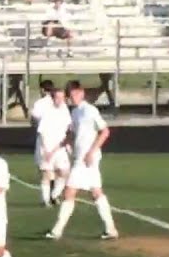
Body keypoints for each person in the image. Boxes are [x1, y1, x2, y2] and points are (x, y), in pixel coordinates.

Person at [46, 81, 119, 241]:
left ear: (82, 93)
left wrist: (91, 152)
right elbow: (72, 135)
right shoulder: (75, 113)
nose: (73, 98)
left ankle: (57, 230)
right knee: (96, 192)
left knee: (69, 192)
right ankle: (110, 229)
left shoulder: (89, 110)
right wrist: (55, 149)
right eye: (70, 96)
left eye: (75, 94)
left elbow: (105, 132)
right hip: (81, 158)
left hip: (87, 159)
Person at [30, 82, 71, 207]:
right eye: (57, 97)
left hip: (60, 147)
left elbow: (68, 127)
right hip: (46, 146)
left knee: (64, 172)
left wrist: (68, 145)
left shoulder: (64, 109)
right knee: (47, 174)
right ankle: (46, 200)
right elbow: (41, 131)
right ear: (52, 98)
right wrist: (47, 150)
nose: (60, 100)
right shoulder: (47, 111)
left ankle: (54, 195)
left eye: (62, 97)